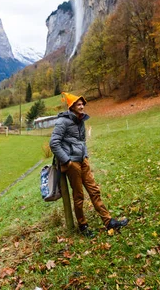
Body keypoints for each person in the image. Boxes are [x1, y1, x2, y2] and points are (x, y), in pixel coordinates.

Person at [49, 92, 128, 237]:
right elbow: (53, 143)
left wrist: (85, 156)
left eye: (82, 104)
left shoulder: (81, 121)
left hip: (82, 161)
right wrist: (67, 161)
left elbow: (82, 141)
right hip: (72, 164)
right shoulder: (63, 122)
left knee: (94, 190)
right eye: (78, 104)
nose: (82, 106)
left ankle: (108, 221)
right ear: (72, 107)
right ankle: (83, 226)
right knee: (79, 196)